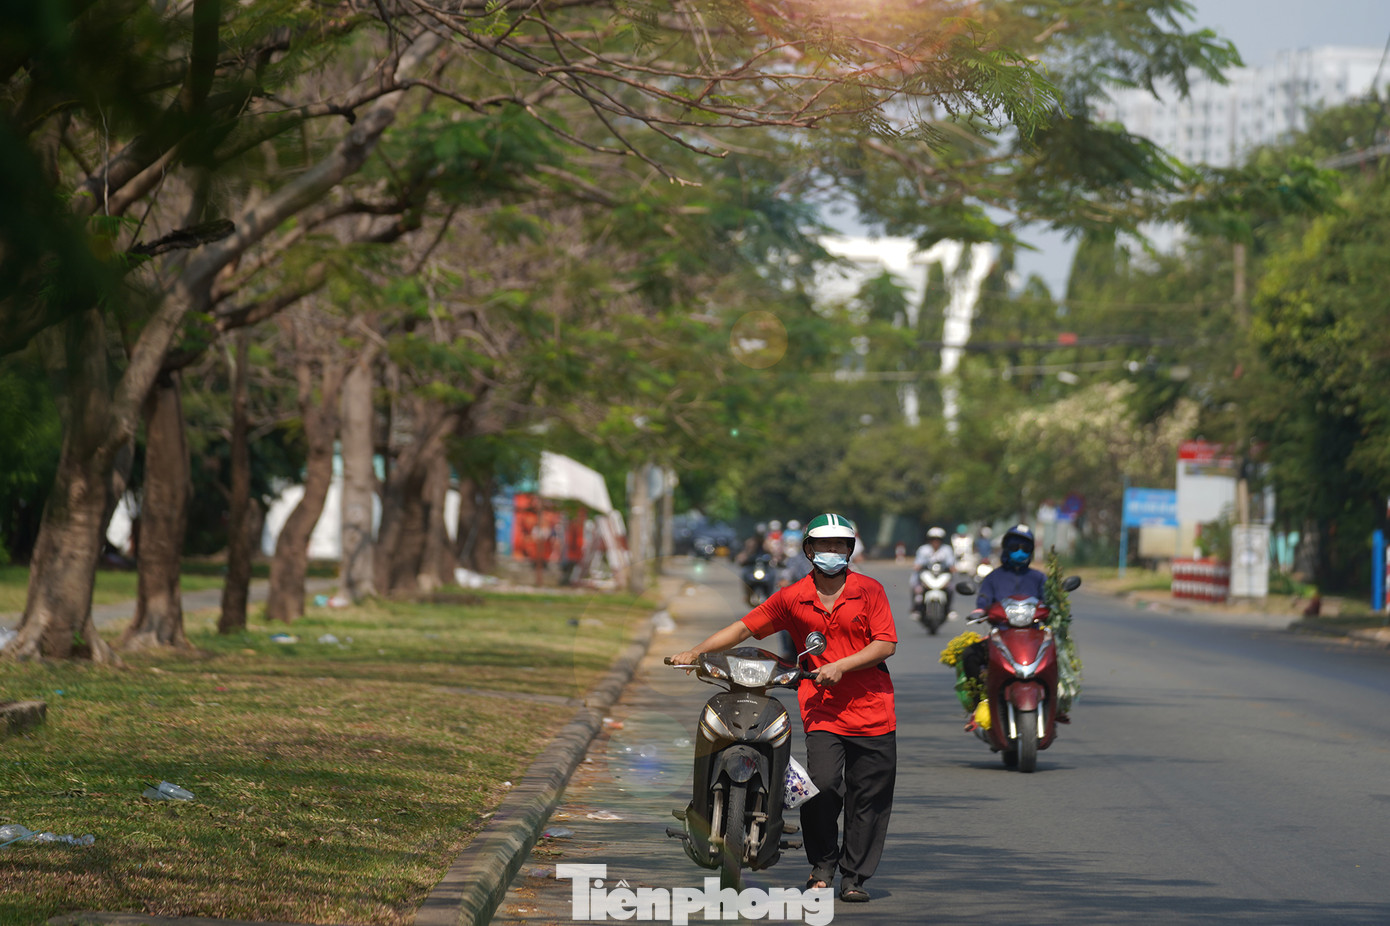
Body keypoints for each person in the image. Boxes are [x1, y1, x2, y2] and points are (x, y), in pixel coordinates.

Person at [669, 512, 897, 903]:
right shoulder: (793, 597)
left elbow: (885, 644)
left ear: (850, 550)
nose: (832, 552)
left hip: (874, 709)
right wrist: (698, 651)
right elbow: (745, 627)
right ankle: (822, 866)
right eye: (824, 545)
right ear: (809, 550)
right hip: (823, 709)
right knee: (822, 787)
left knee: (868, 800)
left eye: (840, 545)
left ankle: (854, 876)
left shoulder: (870, 591)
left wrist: (841, 665)